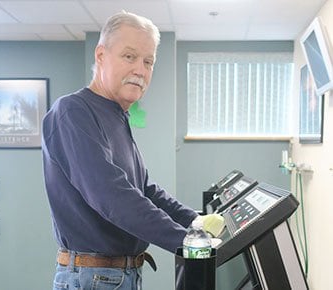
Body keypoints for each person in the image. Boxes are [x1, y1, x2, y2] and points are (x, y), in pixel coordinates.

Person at [42, 11, 224, 290]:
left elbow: (145, 190)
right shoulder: (73, 112)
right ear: (101, 55)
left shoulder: (117, 115)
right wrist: (186, 243)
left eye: (148, 61)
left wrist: (194, 221)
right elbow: (112, 196)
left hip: (121, 275)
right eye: (130, 56)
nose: (140, 69)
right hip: (92, 278)